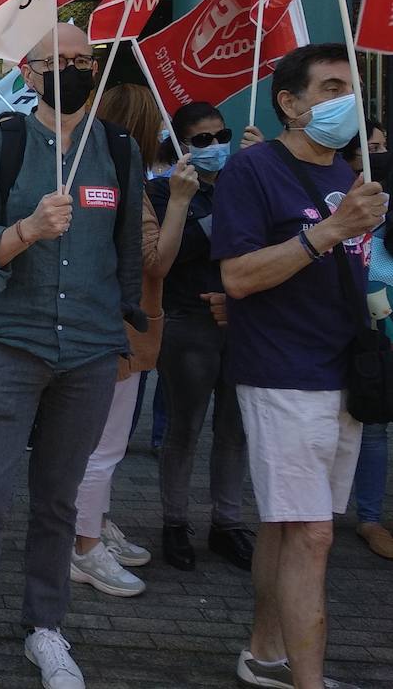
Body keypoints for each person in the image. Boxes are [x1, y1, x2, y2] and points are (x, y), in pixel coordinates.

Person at [0, 23, 143, 689]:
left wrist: (121, 326)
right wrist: (28, 229)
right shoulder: (2, 144)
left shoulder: (117, 148)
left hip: (91, 350)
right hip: (15, 341)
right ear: (28, 70)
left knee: (59, 498)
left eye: (84, 60)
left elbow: (127, 253)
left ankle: (47, 627)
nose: (73, 69)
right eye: (58, 61)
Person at [211, 43, 386, 689]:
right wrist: (328, 232)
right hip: (282, 372)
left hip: (346, 372)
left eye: (353, 87)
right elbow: (236, 275)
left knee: (289, 526)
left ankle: (264, 653)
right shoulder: (251, 171)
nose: (349, 99)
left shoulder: (354, 170)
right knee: (313, 534)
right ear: (290, 103)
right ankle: (308, 682)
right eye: (333, 86)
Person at [69, 85, 189, 599]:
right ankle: (84, 546)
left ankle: (95, 524)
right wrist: (180, 200)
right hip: (118, 335)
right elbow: (155, 261)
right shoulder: (128, 184)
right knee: (104, 446)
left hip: (115, 332)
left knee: (103, 446)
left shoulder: (112, 174)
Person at [147, 101, 254, 573]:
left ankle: (228, 523)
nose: (216, 147)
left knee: (235, 429)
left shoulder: (247, 181)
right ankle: (175, 522)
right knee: (184, 428)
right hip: (187, 319)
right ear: (183, 147)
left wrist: (251, 176)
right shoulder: (162, 191)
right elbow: (174, 252)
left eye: (222, 136)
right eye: (203, 140)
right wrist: (197, 205)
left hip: (243, 321)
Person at [356, 216, 393, 560]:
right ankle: (369, 518)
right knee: (374, 431)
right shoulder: (379, 237)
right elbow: (373, 290)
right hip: (383, 347)